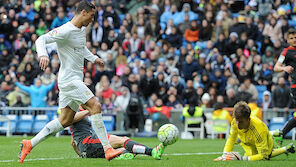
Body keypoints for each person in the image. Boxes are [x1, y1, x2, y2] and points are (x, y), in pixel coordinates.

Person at [18, 1, 121, 163]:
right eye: (92, 16)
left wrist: (93, 58)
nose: (92, 20)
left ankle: (29, 143)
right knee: (95, 105)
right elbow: (41, 39)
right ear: (83, 13)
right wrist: (43, 54)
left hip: (71, 80)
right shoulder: (65, 30)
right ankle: (107, 148)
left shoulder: (80, 30)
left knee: (65, 120)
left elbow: (81, 47)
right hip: (69, 80)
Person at [70, 109, 165, 160]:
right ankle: (152, 152)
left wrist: (81, 154)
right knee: (123, 140)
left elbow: (73, 142)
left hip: (87, 150)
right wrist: (89, 110)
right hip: (89, 142)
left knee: (127, 148)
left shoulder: (77, 111)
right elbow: (71, 118)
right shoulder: (73, 110)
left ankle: (122, 156)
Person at [214, 101, 295, 161]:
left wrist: (242, 158)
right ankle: (275, 134)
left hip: (263, 138)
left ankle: (281, 144)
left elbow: (263, 156)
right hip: (246, 138)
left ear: (248, 120)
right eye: (236, 121)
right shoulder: (235, 121)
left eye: (241, 122)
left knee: (266, 155)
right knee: (236, 139)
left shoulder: (259, 130)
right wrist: (224, 155)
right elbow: (231, 139)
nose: (237, 125)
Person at [273, 28, 296, 147]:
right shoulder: (286, 52)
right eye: (291, 38)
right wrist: (284, 68)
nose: (294, 40)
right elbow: (276, 67)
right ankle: (281, 133)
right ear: (287, 40)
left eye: (295, 37)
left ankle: (281, 133)